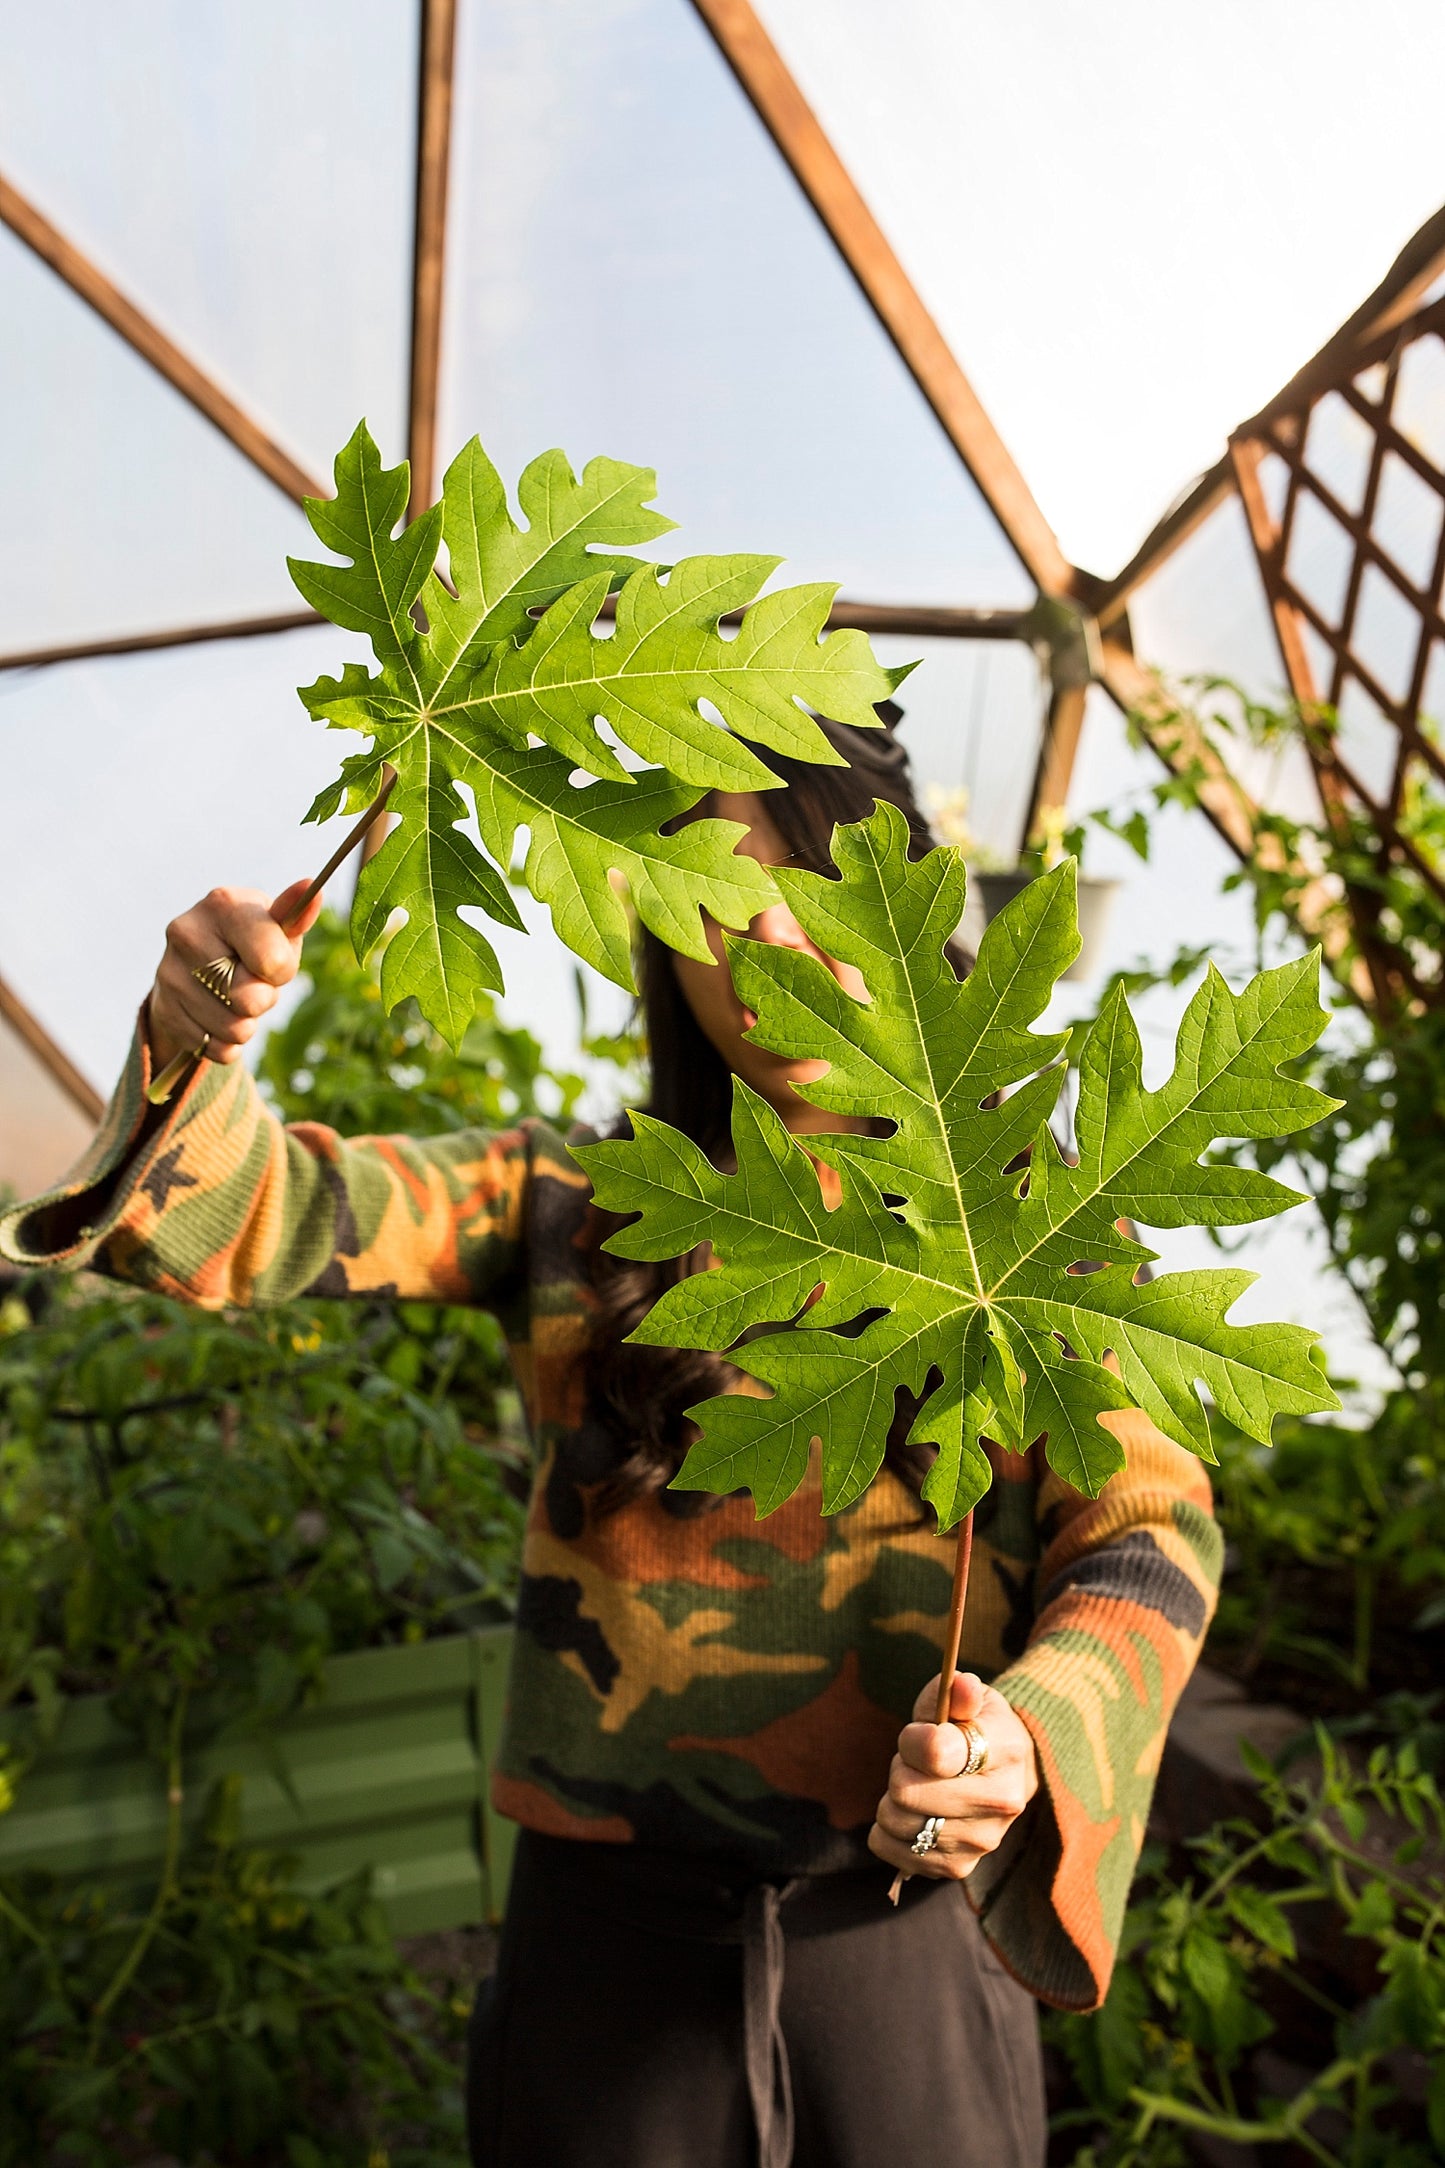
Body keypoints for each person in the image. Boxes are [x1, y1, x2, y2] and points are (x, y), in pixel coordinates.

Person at [1, 717, 1221, 2168]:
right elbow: (267, 1213)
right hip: (601, 1956)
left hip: (896, 1944)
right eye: (706, 900)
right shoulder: (575, 1205)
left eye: (812, 880)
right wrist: (187, 1041)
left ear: (906, 903)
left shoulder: (1039, 1226)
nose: (762, 946)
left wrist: (1032, 1729)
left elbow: (1151, 1526)